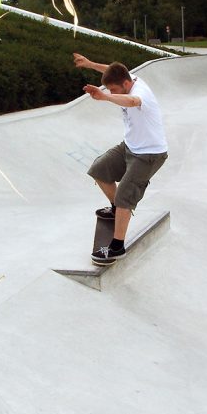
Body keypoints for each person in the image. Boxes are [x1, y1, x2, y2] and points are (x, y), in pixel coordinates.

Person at [73, 53, 168, 263]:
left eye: (114, 90)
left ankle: (117, 247)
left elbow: (132, 101)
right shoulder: (127, 77)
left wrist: (106, 97)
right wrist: (90, 64)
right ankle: (117, 208)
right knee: (99, 169)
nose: (112, 93)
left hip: (149, 154)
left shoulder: (139, 91)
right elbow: (110, 68)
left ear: (126, 84)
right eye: (110, 90)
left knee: (125, 194)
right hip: (130, 146)